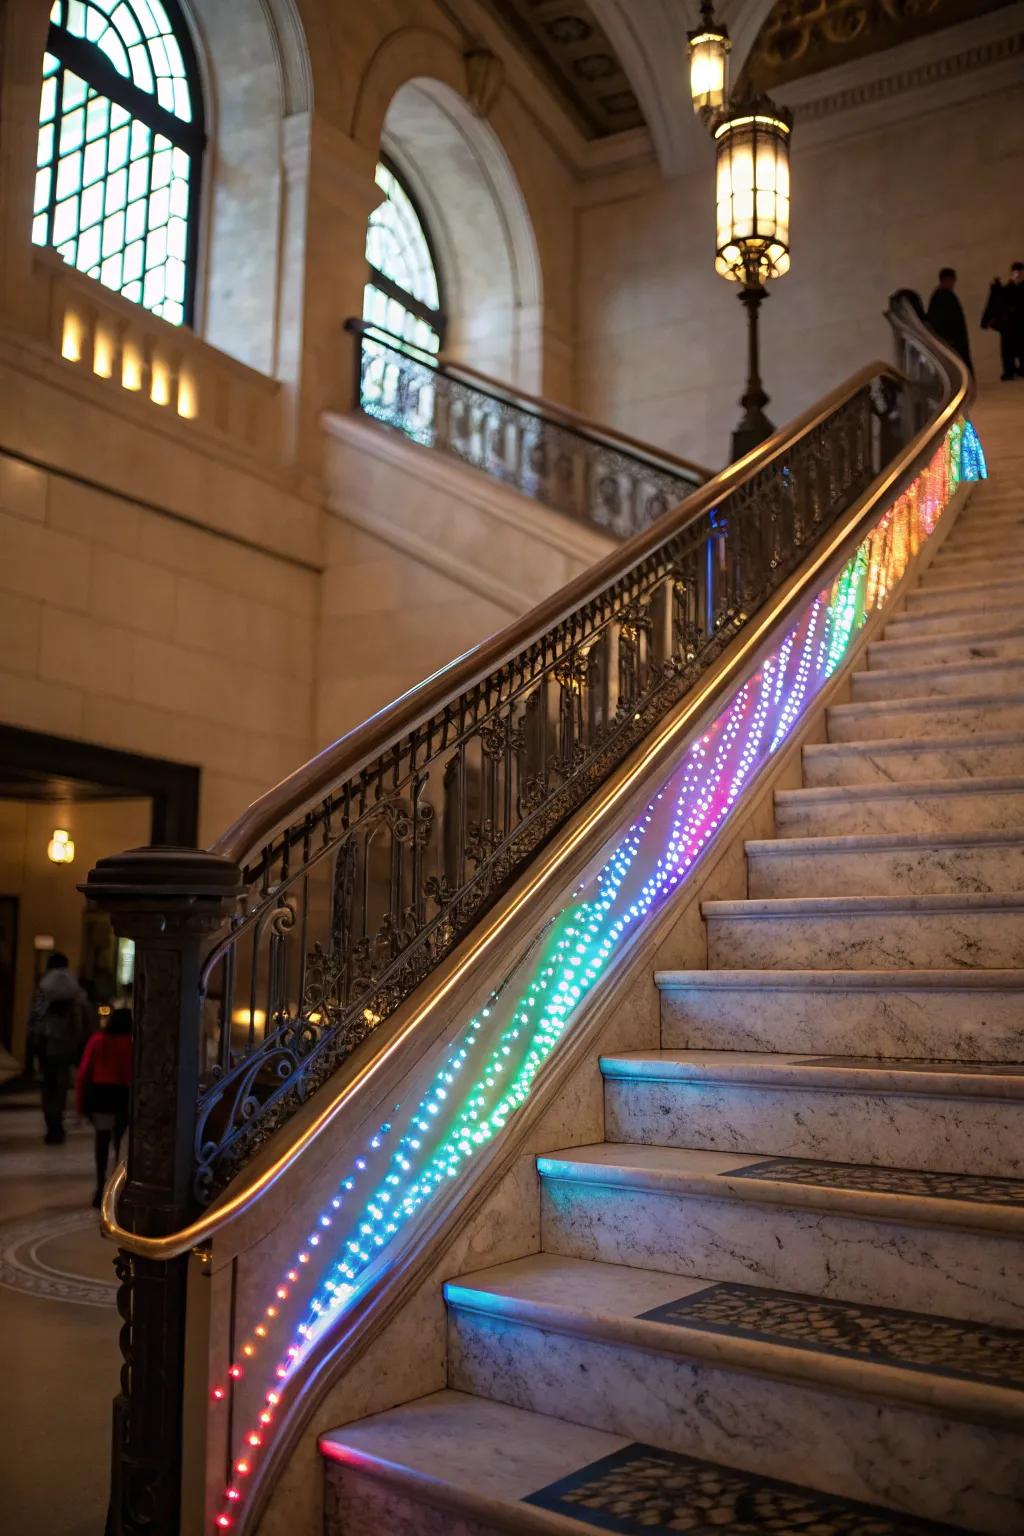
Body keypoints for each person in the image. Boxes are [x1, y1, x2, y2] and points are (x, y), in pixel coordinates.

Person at [26, 952, 91, 1143]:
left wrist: (32, 1042)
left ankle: (51, 1124)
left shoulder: (44, 987)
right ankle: (59, 1124)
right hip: (67, 1044)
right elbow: (83, 1017)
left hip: (47, 1044)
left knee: (48, 1086)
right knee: (62, 1085)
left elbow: (35, 1017)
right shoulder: (74, 988)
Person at [76, 1006, 132, 1208]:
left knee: (101, 1140)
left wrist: (80, 1103)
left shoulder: (98, 1040)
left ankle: (100, 1187)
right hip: (123, 1095)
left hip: (101, 1094)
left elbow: (83, 1072)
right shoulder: (131, 1042)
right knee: (121, 1142)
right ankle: (118, 1189)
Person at [981, 262, 1024, 380]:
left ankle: (1018, 370)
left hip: (1018, 325)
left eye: (1020, 273)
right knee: (1008, 350)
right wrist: (996, 287)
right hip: (1010, 326)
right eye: (1016, 273)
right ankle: (1010, 371)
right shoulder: (1008, 288)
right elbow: (1000, 298)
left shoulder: (1013, 288)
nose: (1018, 275)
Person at [926, 268, 973, 373]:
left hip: (952, 342)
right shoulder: (942, 297)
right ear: (947, 280)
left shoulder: (942, 296)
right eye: (952, 281)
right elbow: (940, 322)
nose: (953, 284)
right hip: (951, 343)